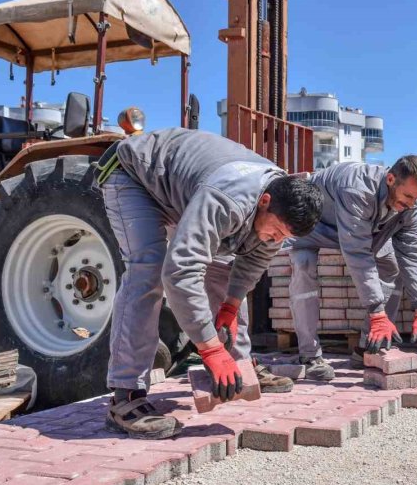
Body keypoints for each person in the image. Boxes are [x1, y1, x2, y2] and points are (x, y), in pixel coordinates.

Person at [98, 128, 323, 440]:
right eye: (277, 232)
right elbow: (180, 272)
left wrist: (230, 306)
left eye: (285, 238)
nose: (277, 240)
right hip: (134, 175)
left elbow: (253, 261)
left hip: (185, 189)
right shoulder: (229, 200)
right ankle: (125, 397)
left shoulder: (280, 207)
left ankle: (239, 367)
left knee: (221, 267)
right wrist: (209, 347)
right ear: (265, 202)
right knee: (147, 272)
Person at [287, 156, 417, 380]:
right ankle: (309, 354)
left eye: (416, 198)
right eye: (408, 196)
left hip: (357, 230)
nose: (410, 204)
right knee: (303, 266)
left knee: (390, 264)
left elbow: (413, 255)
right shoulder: (356, 188)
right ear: (390, 179)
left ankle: (368, 347)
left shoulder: (409, 207)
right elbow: (358, 252)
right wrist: (377, 311)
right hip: (314, 227)